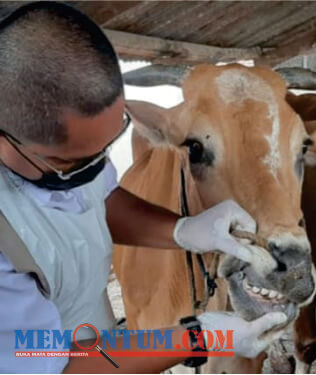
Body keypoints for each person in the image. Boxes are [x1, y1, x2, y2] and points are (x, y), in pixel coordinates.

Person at [0, 2, 286, 373]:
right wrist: (196, 338)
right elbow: (55, 365)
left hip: (94, 336)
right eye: (70, 164)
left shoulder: (59, 156)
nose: (91, 168)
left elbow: (95, 198)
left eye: (102, 151)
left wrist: (181, 230)